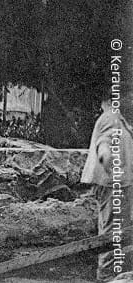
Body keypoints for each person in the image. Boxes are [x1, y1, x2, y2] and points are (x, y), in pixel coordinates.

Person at [81, 100, 133, 281]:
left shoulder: (119, 119)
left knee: (116, 232)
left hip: (118, 184)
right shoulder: (111, 118)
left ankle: (113, 275)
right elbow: (104, 143)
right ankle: (106, 277)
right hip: (112, 184)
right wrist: (108, 160)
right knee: (112, 234)